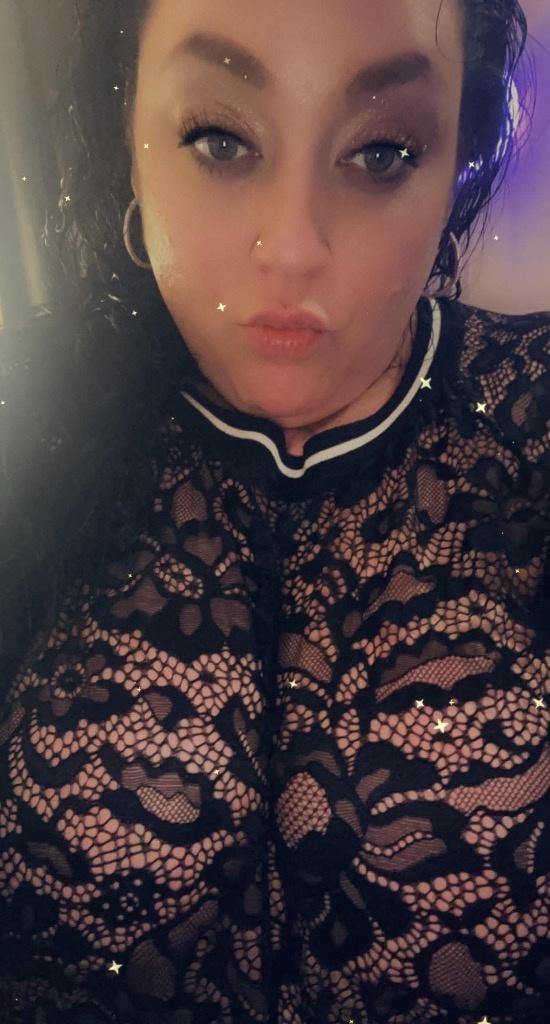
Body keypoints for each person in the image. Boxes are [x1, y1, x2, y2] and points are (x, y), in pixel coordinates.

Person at [0, 1, 549, 1022]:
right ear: (129, 136)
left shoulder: (531, 422)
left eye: (381, 151)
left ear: (456, 167)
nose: (293, 246)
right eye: (220, 138)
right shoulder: (28, 424)